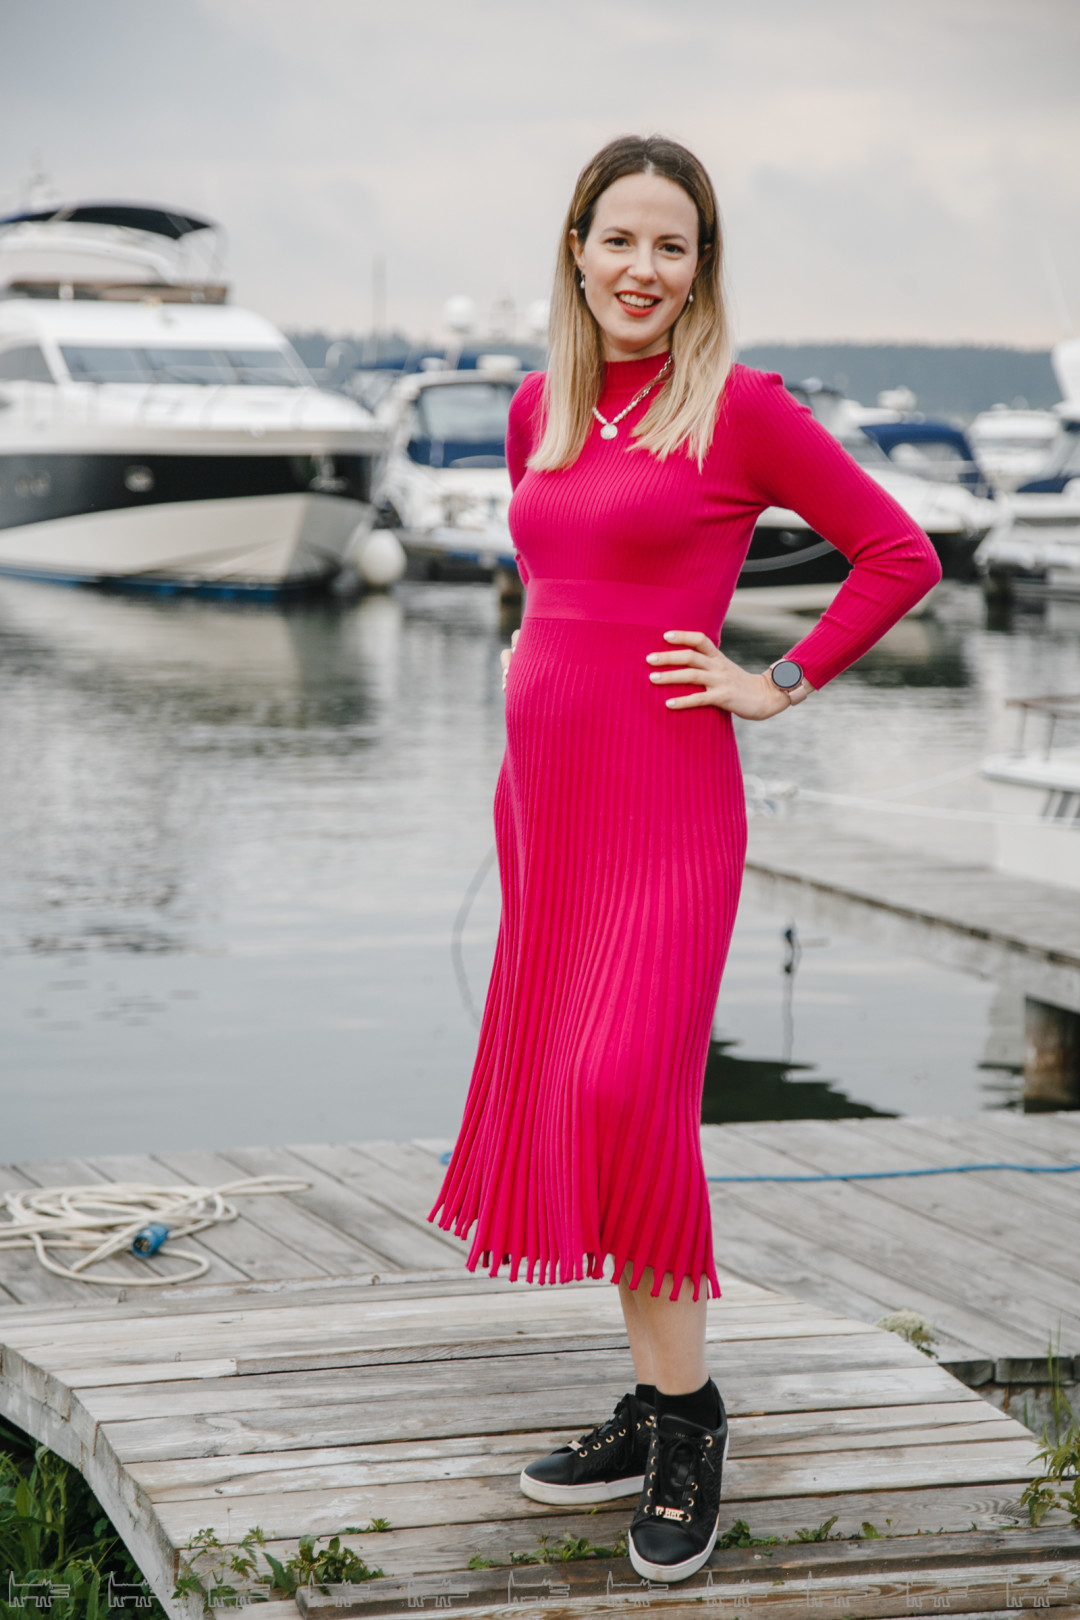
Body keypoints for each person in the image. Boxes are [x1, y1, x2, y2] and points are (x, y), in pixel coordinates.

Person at [429, 134, 941, 1583]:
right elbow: (550, 584)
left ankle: (693, 1424)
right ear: (576, 249)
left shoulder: (742, 411)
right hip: (549, 805)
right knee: (584, 1101)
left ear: (701, 267)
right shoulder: (539, 407)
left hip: (667, 801)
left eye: (673, 245)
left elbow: (900, 553)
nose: (642, 269)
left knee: (626, 1091)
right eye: (620, 240)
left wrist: (774, 683)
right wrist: (527, 696)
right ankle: (653, 1403)